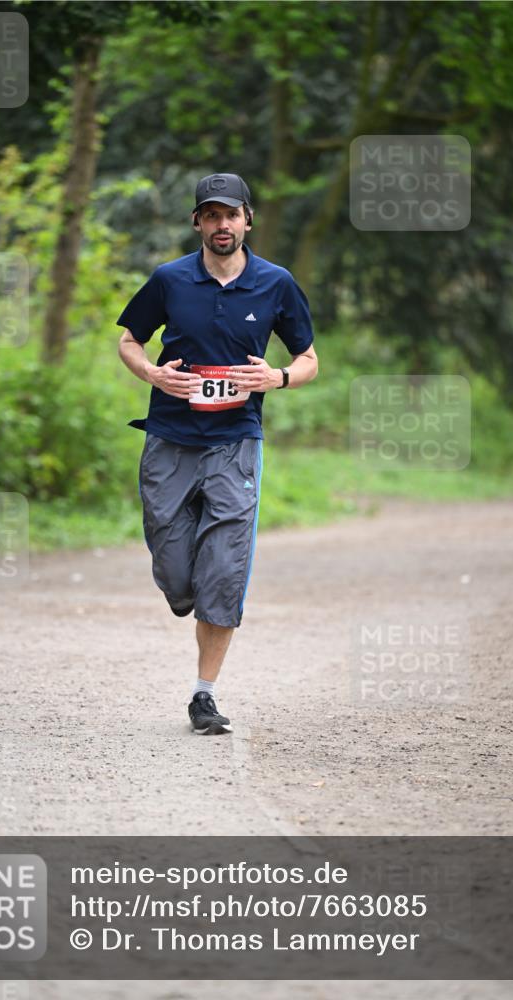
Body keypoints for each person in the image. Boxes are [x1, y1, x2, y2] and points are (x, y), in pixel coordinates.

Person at [117, 172, 318, 735]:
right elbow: (128, 339)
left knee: (224, 570)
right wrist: (153, 373)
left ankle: (204, 695)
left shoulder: (275, 283)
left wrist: (276, 378)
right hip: (170, 438)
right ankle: (185, 591)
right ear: (198, 223)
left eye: (231, 215)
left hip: (236, 442)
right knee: (177, 569)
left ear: (247, 220)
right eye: (210, 215)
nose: (221, 224)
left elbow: (308, 358)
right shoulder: (169, 279)